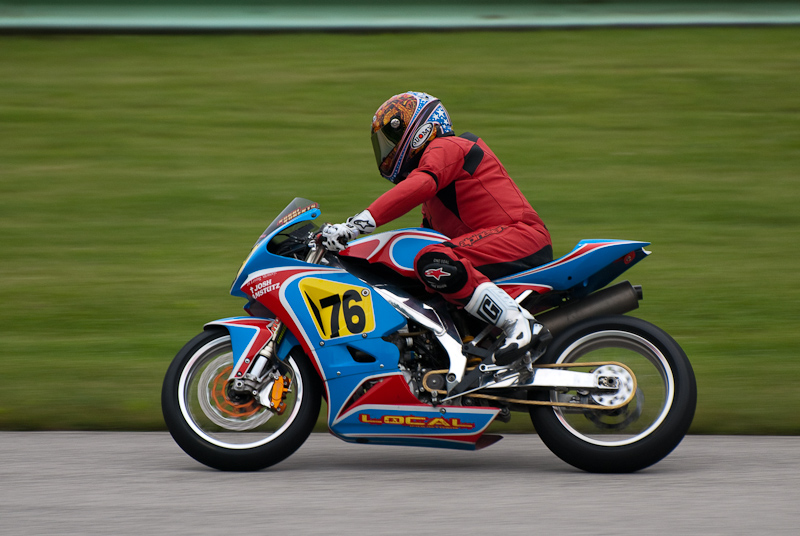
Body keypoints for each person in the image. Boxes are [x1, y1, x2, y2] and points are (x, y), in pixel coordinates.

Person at [321, 91, 553, 365]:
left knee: (433, 261)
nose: (386, 150)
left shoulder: (448, 147)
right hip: (498, 244)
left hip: (520, 236)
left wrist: (356, 226)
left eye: (392, 139)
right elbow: (422, 237)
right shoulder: (433, 201)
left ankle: (519, 324)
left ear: (420, 129)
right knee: (420, 271)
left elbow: (420, 184)